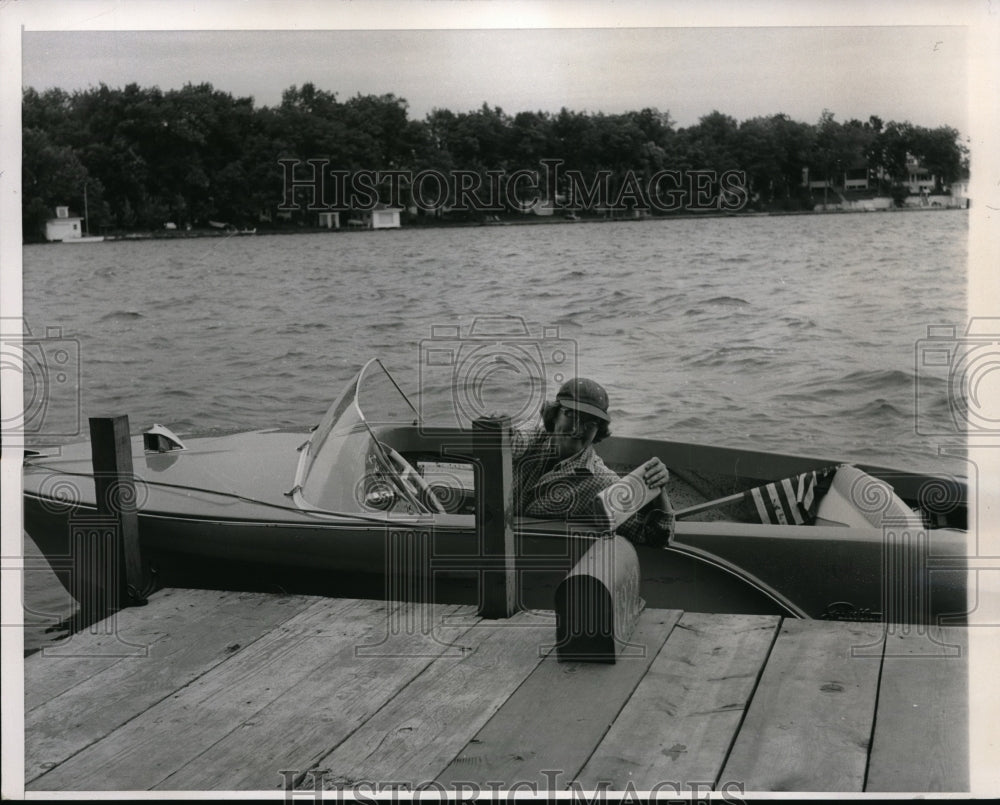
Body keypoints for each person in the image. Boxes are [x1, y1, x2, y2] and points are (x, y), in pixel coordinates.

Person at [509, 377, 675, 547]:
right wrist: (496, 432)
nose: (579, 429)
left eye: (591, 423)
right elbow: (513, 441)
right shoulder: (534, 434)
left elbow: (654, 537)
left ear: (599, 430)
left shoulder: (602, 481)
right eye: (571, 414)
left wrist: (658, 491)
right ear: (554, 414)